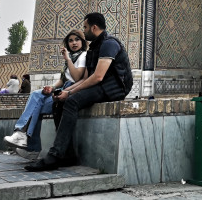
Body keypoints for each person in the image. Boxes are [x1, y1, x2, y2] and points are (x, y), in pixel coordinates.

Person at [25, 13, 132, 171]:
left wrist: (70, 94)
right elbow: (86, 79)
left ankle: (54, 155)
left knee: (72, 101)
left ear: (94, 27)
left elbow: (98, 77)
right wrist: (64, 91)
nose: (84, 31)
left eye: (85, 27)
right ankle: (68, 155)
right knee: (58, 104)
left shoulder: (109, 44)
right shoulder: (93, 48)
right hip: (100, 85)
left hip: (114, 88)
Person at [4, 29, 88, 160]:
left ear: (82, 41)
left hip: (73, 90)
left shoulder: (84, 56)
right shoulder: (71, 57)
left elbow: (77, 78)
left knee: (36, 105)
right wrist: (52, 87)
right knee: (36, 97)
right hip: (63, 88)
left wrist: (67, 59)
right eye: (71, 40)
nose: (74, 43)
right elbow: (63, 79)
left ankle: (31, 146)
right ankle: (23, 137)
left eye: (77, 40)